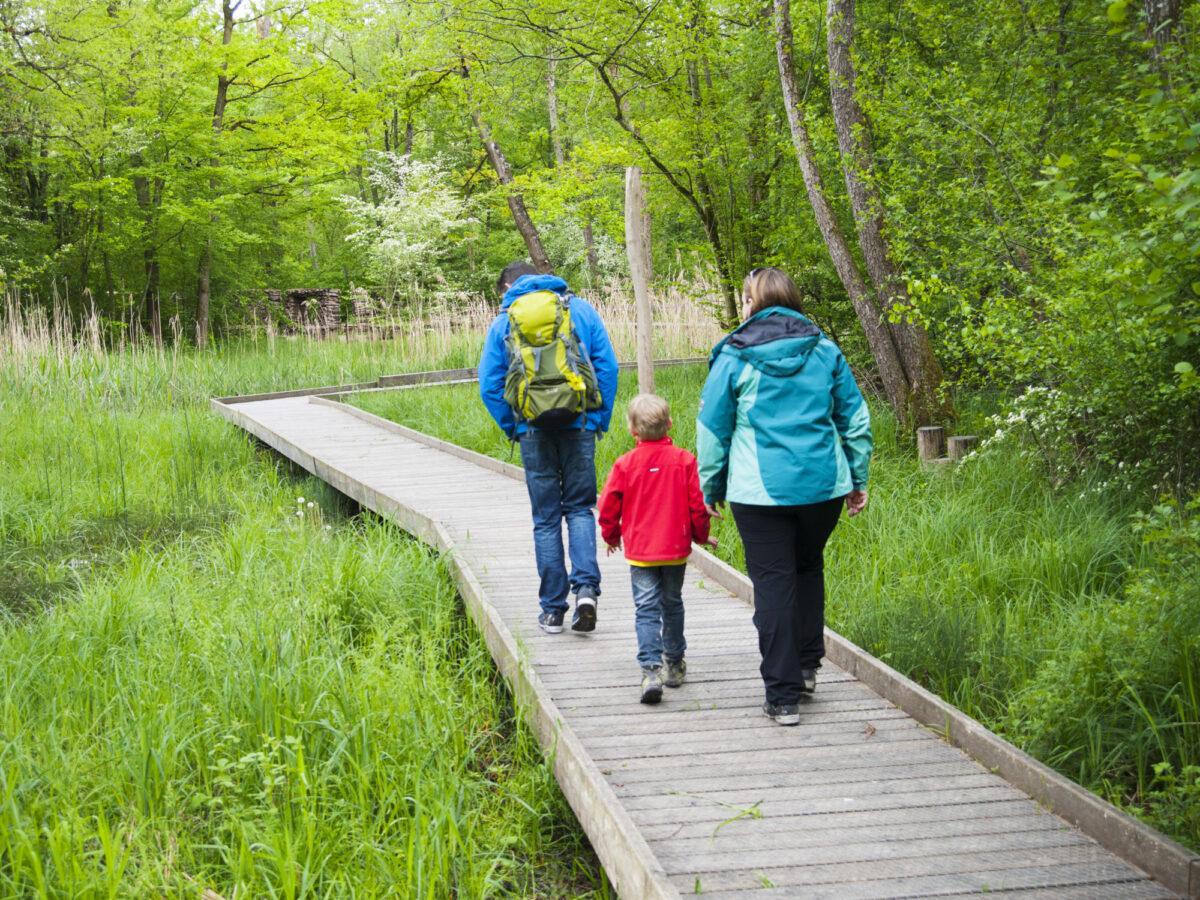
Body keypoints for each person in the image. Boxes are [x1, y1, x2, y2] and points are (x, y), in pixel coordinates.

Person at [696, 267, 872, 726]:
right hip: (822, 488)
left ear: (753, 302)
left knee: (774, 582)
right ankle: (807, 668)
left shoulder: (735, 356)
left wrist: (710, 486)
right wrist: (857, 477)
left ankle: (783, 696)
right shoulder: (825, 350)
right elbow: (854, 419)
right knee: (808, 568)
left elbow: (713, 429)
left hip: (760, 493)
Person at [479, 261, 620, 634]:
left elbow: (489, 386)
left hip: (532, 430)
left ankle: (553, 611)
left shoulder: (505, 319)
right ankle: (586, 589)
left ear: (509, 284)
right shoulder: (580, 309)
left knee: (545, 519)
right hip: (579, 424)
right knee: (579, 508)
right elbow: (607, 367)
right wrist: (597, 419)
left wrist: (515, 426)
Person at [597, 394, 716, 704]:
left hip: (641, 553)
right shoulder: (686, 460)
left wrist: (611, 537)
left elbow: (608, 505)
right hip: (675, 549)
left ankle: (651, 670)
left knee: (646, 610)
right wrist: (701, 537)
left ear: (632, 430)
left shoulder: (625, 464)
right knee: (672, 603)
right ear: (670, 424)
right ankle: (674, 663)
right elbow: (698, 507)